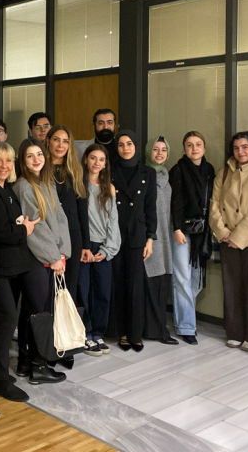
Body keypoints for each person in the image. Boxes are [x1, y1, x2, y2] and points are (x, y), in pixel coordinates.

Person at [0, 143, 36, 402]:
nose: (4, 166)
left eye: (8, 160)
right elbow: (0, 232)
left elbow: (11, 223)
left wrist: (20, 226)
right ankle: (0, 381)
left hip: (9, 267)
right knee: (6, 321)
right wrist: (24, 229)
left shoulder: (7, 189)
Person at [12, 139, 70, 384]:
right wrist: (53, 257)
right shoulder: (24, 186)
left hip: (50, 255)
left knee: (32, 310)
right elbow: (36, 227)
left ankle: (25, 363)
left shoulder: (47, 183)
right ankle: (38, 366)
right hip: (36, 257)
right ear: (22, 160)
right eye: (29, 156)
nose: (36, 159)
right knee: (39, 311)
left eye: (39, 154)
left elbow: (60, 219)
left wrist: (62, 252)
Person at [209, 132, 248, 352]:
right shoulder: (224, 172)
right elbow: (214, 204)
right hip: (226, 239)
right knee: (231, 287)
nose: (240, 152)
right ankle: (234, 332)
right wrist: (223, 233)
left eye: (245, 147)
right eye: (236, 148)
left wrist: (238, 236)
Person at [45, 125, 90, 369]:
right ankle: (48, 345)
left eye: (65, 141)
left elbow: (82, 209)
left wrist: (85, 244)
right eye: (56, 140)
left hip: (72, 236)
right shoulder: (40, 167)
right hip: (47, 235)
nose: (61, 145)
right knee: (48, 293)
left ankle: (67, 345)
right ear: (48, 142)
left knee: (68, 291)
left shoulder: (75, 170)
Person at [107, 130, 156, 352]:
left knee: (136, 284)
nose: (125, 148)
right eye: (121, 144)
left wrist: (150, 238)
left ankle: (136, 333)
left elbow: (150, 207)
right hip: (114, 233)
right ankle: (122, 332)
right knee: (118, 282)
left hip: (137, 234)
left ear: (136, 146)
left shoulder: (148, 172)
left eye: (129, 144)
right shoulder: (109, 171)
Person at [169, 131, 215, 346]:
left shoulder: (209, 170)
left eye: (198, 144)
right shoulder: (178, 170)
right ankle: (186, 326)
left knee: (196, 280)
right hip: (182, 231)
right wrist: (177, 228)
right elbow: (175, 202)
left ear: (204, 148)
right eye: (189, 145)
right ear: (184, 148)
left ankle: (187, 319)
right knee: (182, 278)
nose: (194, 148)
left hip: (202, 232)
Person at [79, 144, 120, 356]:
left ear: (105, 164)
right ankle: (85, 334)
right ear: (86, 159)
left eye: (101, 159)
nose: (97, 163)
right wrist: (83, 246)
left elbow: (113, 221)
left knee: (102, 292)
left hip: (103, 247)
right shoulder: (78, 186)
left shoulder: (108, 188)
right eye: (93, 158)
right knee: (83, 292)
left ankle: (97, 333)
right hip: (84, 247)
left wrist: (107, 250)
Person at [143, 137, 178, 345]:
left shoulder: (166, 175)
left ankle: (158, 328)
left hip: (165, 236)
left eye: (164, 150)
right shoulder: (144, 175)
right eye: (155, 149)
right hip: (149, 237)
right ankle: (153, 329)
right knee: (149, 283)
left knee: (161, 283)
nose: (159, 153)